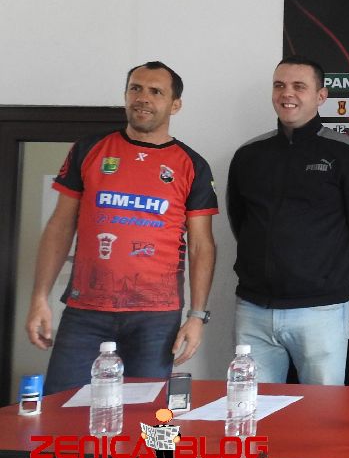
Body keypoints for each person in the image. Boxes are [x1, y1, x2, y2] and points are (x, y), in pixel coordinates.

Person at [26, 62, 218, 395]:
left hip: (156, 318)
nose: (143, 98)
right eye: (136, 88)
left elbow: (202, 245)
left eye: (156, 91)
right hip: (85, 311)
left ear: (175, 105)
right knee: (61, 409)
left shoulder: (192, 165)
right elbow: (59, 225)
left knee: (145, 414)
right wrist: (39, 298)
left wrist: (197, 315)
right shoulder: (89, 149)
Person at [227, 56, 349, 384]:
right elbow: (240, 221)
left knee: (323, 410)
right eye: (279, 85)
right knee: (250, 407)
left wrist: (329, 275)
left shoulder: (345, 154)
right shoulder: (248, 155)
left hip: (321, 311)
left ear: (321, 96)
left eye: (299, 86)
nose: (287, 93)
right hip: (254, 309)